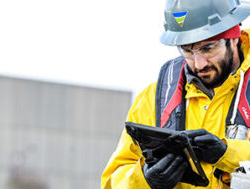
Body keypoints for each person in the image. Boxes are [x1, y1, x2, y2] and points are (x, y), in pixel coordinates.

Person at [101, 0, 250, 188]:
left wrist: (228, 154)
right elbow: (111, 182)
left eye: (208, 48)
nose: (199, 64)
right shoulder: (154, 98)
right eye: (187, 50)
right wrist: (145, 180)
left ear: (234, 36)